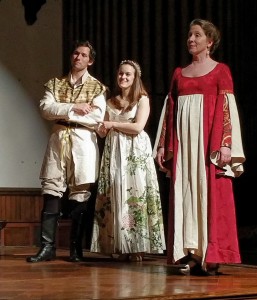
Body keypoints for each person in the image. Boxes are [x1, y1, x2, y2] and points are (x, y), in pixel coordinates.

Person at [154, 19, 245, 275]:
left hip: (207, 145)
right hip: (184, 148)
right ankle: (192, 252)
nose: (191, 39)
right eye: (189, 35)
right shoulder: (178, 73)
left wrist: (226, 144)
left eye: (197, 35)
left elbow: (227, 109)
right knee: (186, 193)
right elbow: (170, 111)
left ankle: (211, 255)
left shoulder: (220, 71)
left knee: (210, 194)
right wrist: (163, 145)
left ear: (210, 41)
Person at [26, 40, 107, 263]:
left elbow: (97, 117)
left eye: (83, 55)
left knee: (80, 192)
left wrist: (64, 111)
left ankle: (75, 249)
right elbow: (45, 108)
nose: (78, 57)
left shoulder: (97, 87)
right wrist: (74, 107)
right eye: (75, 53)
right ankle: (47, 247)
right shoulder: (55, 83)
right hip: (59, 139)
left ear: (90, 60)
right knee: (51, 189)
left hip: (83, 141)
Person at [90, 60, 166, 261]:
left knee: (134, 195)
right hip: (115, 150)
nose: (123, 77)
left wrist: (112, 123)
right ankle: (118, 242)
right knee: (116, 193)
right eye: (121, 74)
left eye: (128, 75)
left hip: (134, 151)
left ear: (135, 78)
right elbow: (103, 132)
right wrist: (101, 128)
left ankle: (136, 245)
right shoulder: (110, 102)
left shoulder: (142, 99)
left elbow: (138, 127)